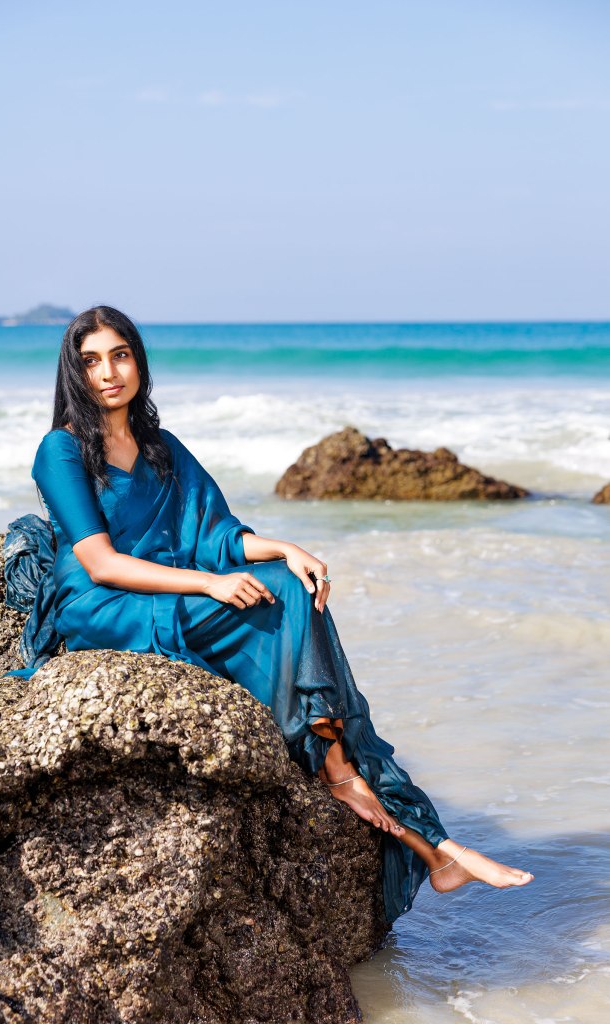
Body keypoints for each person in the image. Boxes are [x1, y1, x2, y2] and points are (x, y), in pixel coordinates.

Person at [26, 305, 533, 924]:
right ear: (74, 373)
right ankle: (370, 794)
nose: (109, 372)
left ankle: (427, 842)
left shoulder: (162, 448)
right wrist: (211, 585)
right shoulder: (60, 450)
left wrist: (284, 548)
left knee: (290, 585)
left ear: (139, 361)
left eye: (121, 354)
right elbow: (101, 564)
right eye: (92, 361)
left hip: (175, 590)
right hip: (104, 606)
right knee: (278, 611)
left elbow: (216, 535)